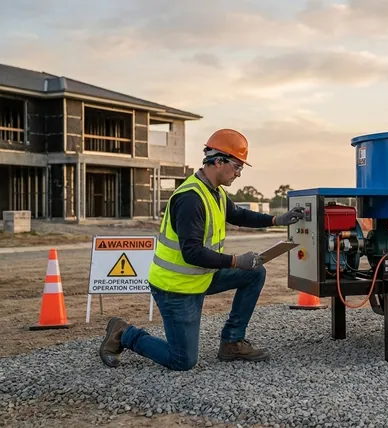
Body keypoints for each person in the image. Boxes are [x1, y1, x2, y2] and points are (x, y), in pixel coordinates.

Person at [98, 128, 306, 371]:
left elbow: (238, 214)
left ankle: (232, 342)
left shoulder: (215, 192)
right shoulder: (191, 199)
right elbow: (192, 253)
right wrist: (236, 261)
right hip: (175, 287)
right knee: (182, 361)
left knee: (255, 272)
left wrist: (276, 221)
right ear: (219, 161)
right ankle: (124, 333)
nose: (239, 174)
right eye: (237, 166)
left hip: (201, 278)